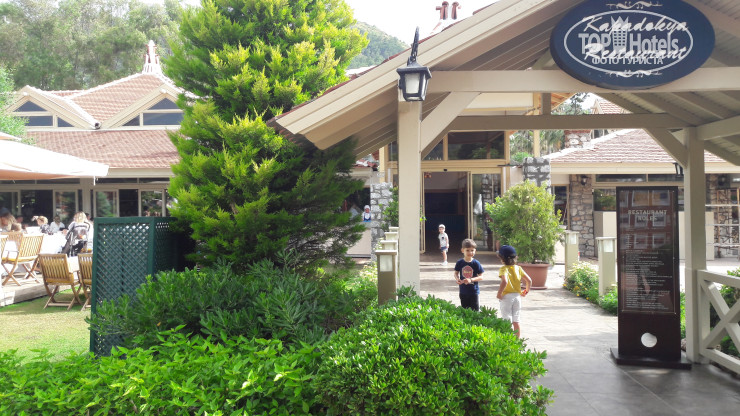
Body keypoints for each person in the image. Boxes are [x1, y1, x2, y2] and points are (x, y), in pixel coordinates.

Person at [496, 245, 532, 339]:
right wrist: (526, 291)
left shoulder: (503, 269)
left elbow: (505, 281)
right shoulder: (518, 268)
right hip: (517, 297)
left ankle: (508, 339)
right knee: (516, 320)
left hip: (506, 297)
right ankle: (517, 340)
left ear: (502, 258)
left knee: (507, 319)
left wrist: (499, 293)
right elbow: (529, 280)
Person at [454, 238, 484, 311]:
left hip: (474, 292)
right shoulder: (460, 262)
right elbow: (455, 273)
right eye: (467, 250)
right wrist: (457, 279)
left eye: (472, 250)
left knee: (475, 311)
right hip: (463, 291)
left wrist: (471, 280)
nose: (470, 252)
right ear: (462, 250)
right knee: (464, 311)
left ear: (475, 251)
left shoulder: (476, 263)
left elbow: (481, 277)